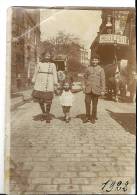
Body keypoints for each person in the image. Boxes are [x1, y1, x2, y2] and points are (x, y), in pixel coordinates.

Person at [32, 53, 58, 123]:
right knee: (41, 99)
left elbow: (55, 74)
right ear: (43, 56)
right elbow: (35, 72)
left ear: (50, 57)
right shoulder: (39, 64)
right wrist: (34, 80)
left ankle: (47, 115)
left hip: (49, 82)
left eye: (49, 56)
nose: (47, 57)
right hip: (40, 82)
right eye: (46, 56)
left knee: (49, 100)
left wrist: (55, 82)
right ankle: (44, 113)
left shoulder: (53, 65)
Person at [83, 55, 105, 124]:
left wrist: (103, 90)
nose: (94, 61)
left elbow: (103, 80)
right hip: (88, 89)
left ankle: (93, 117)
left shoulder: (101, 69)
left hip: (96, 89)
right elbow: (85, 77)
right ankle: (87, 116)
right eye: (93, 60)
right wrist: (84, 85)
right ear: (91, 61)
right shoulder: (88, 68)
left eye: (96, 60)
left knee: (94, 105)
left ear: (98, 61)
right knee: (87, 102)